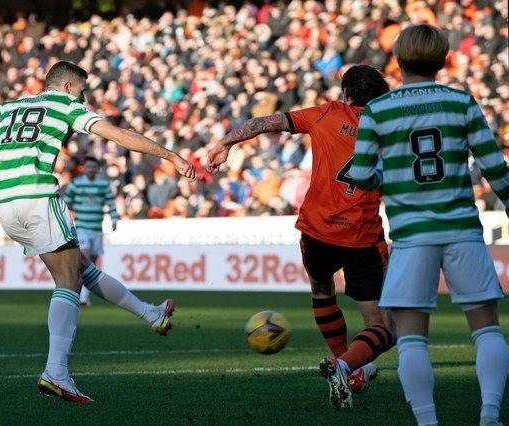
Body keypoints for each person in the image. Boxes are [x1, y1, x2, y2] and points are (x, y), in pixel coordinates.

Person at [0, 61, 196, 404]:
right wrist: (169, 155)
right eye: (83, 90)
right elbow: (117, 135)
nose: (84, 96)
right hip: (37, 195)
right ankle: (56, 372)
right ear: (69, 87)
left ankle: (151, 314)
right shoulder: (67, 105)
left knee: (81, 269)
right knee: (68, 281)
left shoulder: (5, 107)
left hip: (5, 204)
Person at [207, 65, 394, 409]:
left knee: (322, 290)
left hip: (317, 230)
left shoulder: (325, 114)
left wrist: (225, 142)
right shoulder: (390, 125)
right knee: (383, 325)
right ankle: (347, 366)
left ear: (346, 94)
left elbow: (264, 123)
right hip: (362, 236)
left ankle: (345, 365)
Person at [350, 25, 508, 426]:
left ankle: (427, 421)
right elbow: (494, 167)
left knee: (412, 338)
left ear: (398, 61)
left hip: (411, 236)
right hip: (462, 231)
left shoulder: (378, 111)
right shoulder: (461, 103)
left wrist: (389, 172)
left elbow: (361, 175)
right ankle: (489, 412)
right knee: (487, 331)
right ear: (442, 60)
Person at [63, 156, 119, 306]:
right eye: (88, 166)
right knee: (85, 257)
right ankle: (79, 295)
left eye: (93, 167)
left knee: (92, 265)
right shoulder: (76, 184)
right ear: (84, 168)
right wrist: (65, 220)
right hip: (82, 227)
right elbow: (65, 202)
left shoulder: (103, 184)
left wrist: (114, 219)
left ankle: (84, 296)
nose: (91, 169)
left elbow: (110, 202)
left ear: (97, 168)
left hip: (97, 229)